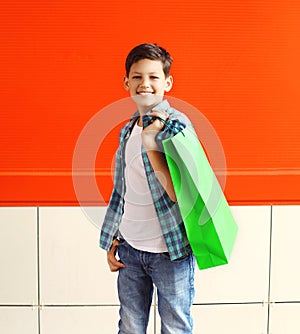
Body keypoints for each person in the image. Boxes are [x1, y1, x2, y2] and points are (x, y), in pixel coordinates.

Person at [99, 43, 196, 334]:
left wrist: (153, 146)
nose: (145, 84)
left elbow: (183, 194)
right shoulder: (128, 129)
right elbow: (124, 190)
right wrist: (114, 237)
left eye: (154, 77)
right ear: (126, 82)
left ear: (167, 82)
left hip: (170, 252)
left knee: (175, 327)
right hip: (130, 250)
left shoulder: (177, 126)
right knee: (129, 327)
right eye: (138, 76)